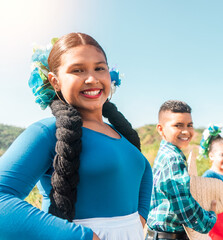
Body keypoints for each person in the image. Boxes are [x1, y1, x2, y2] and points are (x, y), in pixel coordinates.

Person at [0, 33, 153, 240]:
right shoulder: (46, 132)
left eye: (99, 68)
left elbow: (142, 174)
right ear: (55, 81)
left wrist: (136, 221)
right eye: (77, 70)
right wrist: (81, 237)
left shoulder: (123, 135)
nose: (92, 79)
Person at [146, 100, 217, 240]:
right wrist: (209, 219)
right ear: (160, 129)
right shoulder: (173, 159)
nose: (186, 131)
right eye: (178, 125)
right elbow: (184, 205)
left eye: (190, 125)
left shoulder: (165, 153)